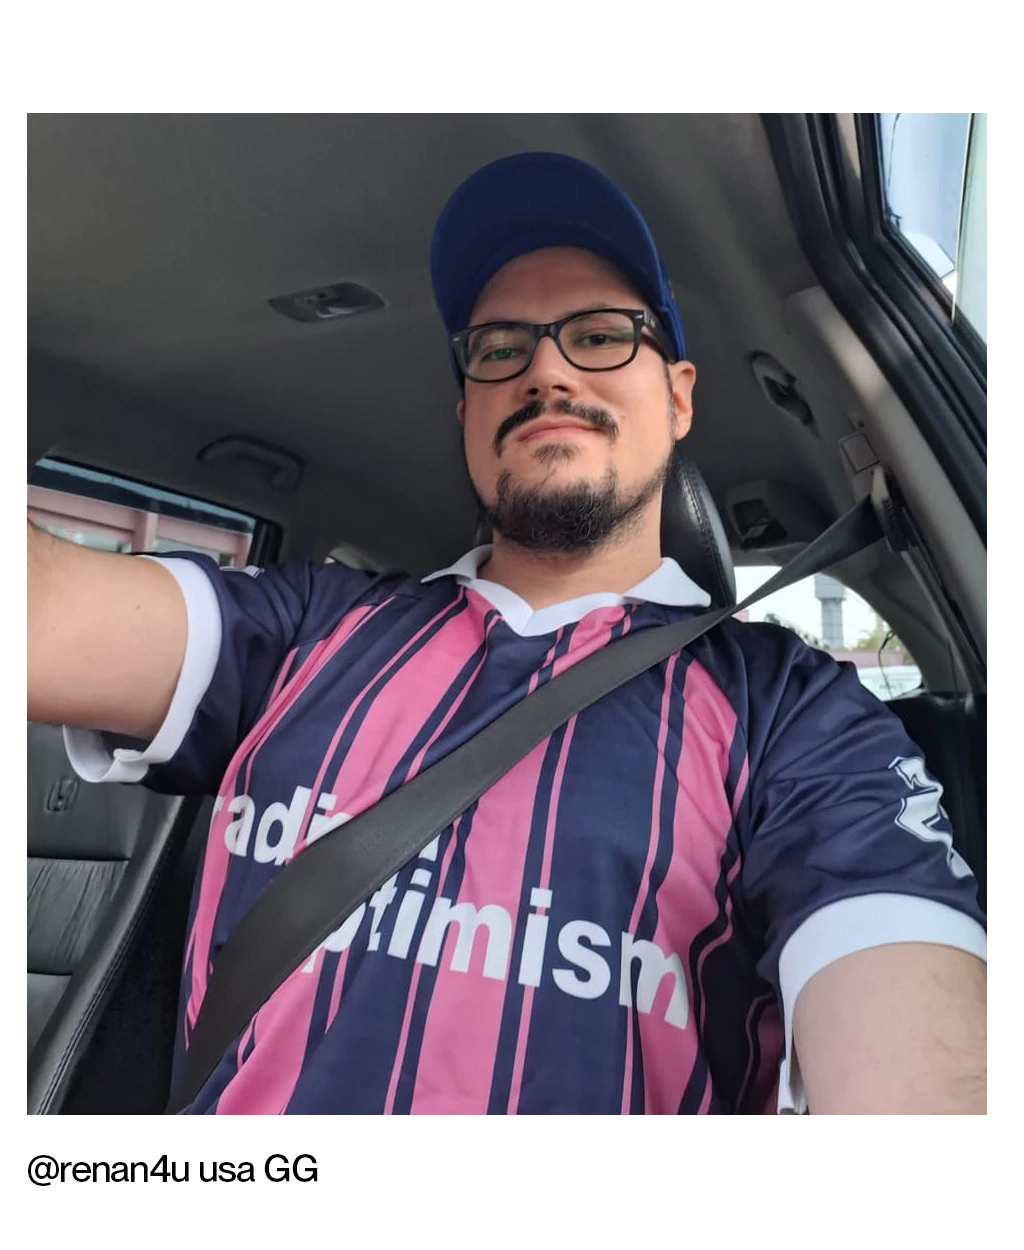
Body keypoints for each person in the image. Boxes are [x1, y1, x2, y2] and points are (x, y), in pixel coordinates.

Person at [27, 151, 986, 1115]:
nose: (546, 371)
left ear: (679, 396)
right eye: (499, 349)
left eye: (601, 335)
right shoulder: (306, 626)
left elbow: (919, 1051)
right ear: (467, 411)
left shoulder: (794, 714)